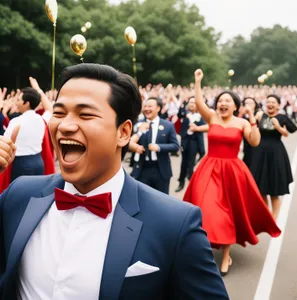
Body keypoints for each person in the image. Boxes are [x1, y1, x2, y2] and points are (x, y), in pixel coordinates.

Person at [0, 64, 229, 300]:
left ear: (123, 132)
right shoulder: (19, 195)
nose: (65, 126)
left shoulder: (174, 224)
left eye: (85, 114)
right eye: (58, 113)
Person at [183, 69, 281, 277]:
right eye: (220, 100)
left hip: (232, 171)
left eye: (227, 101)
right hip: (209, 169)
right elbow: (199, 102)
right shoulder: (211, 117)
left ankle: (226, 254)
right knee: (206, 209)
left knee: (227, 213)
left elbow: (254, 141)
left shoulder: (243, 123)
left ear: (236, 106)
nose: (223, 103)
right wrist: (198, 81)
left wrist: (253, 120)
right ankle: (203, 248)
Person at [250, 94, 297, 219]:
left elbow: (288, 133)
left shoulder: (282, 117)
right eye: (268, 102)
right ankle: (266, 215)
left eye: (273, 102)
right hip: (260, 153)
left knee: (274, 191)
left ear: (278, 105)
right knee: (261, 189)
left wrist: (278, 127)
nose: (270, 104)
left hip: (276, 153)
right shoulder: (261, 116)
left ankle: (274, 218)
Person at [130, 97, 179, 194]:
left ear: (158, 108)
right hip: (143, 168)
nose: (146, 109)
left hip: (161, 169)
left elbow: (175, 146)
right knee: (142, 199)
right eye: (145, 106)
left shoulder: (168, 125)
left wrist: (159, 147)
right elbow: (129, 142)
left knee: (162, 201)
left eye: (150, 106)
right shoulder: (138, 124)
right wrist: (136, 147)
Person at [3, 87, 52, 181]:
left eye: (18, 100)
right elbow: (50, 109)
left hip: (20, 164)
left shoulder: (16, 121)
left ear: (26, 104)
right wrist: (38, 89)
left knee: (19, 193)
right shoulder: (41, 119)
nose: (16, 103)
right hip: (38, 162)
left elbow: (5, 143)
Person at [175, 96, 208, 192]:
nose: (191, 104)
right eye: (190, 102)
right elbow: (179, 115)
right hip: (185, 141)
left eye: (194, 102)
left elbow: (205, 125)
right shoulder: (185, 114)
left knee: (191, 162)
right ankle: (181, 182)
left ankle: (192, 182)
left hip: (195, 142)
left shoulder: (201, 116)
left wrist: (195, 124)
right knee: (183, 162)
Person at [239, 97, 260, 168]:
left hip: (257, 143)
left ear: (255, 105)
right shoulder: (242, 116)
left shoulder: (259, 114)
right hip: (246, 143)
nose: (248, 105)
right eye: (246, 103)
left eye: (250, 103)